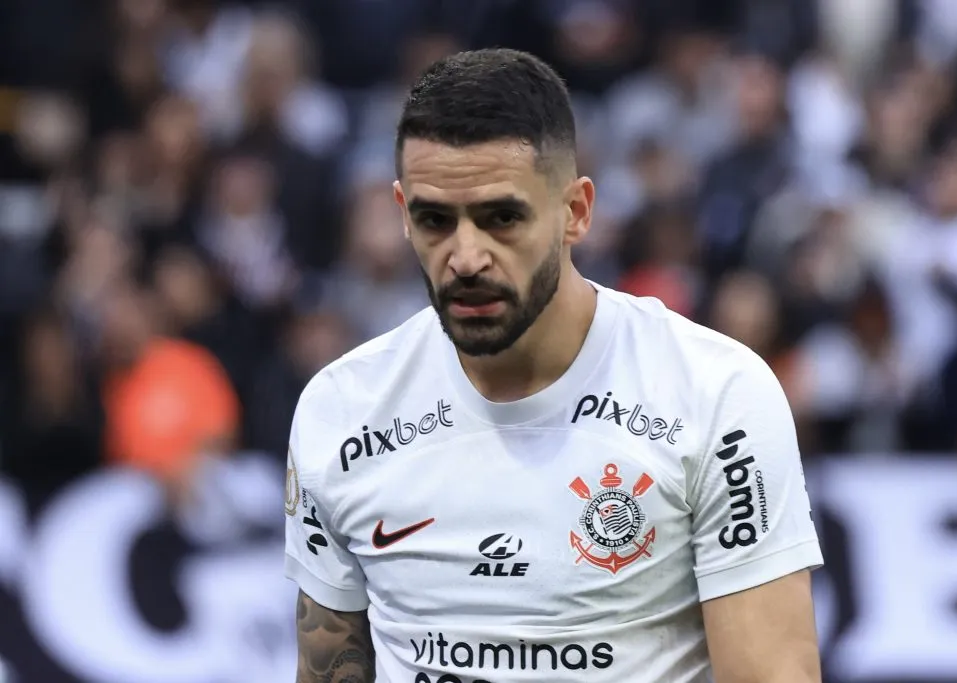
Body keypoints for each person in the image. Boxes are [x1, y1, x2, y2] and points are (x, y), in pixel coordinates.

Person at [284, 48, 824, 683]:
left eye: (502, 218)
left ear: (576, 212)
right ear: (402, 213)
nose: (465, 257)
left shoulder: (715, 395)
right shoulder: (341, 410)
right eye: (435, 220)